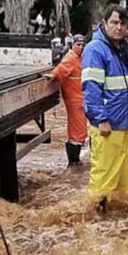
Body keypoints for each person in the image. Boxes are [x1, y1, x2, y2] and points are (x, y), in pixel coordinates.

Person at [81, 4, 128, 208]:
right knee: (103, 178)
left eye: (123, 23)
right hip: (108, 126)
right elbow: (91, 89)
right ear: (105, 23)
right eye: (114, 22)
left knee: (127, 180)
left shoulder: (126, 48)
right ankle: (96, 220)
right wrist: (101, 119)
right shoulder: (95, 50)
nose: (119, 27)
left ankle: (121, 223)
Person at [46, 34, 87, 166]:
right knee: (78, 131)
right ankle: (73, 162)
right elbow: (60, 70)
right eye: (78, 45)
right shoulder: (71, 58)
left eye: (82, 45)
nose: (80, 47)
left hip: (79, 100)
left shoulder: (78, 58)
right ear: (72, 45)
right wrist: (52, 75)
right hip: (74, 101)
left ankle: (75, 161)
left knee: (78, 131)